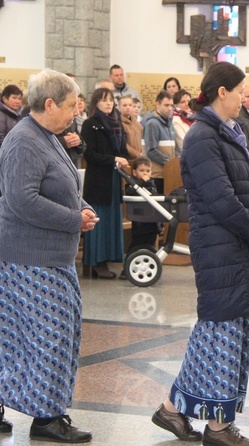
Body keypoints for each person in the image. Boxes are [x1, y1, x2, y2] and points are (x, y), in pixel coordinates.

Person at [151, 61, 249, 446]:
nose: (246, 97)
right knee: (220, 331)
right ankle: (218, 427)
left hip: (238, 245)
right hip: (220, 246)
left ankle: (172, 410)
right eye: (241, 90)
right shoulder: (202, 138)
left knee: (224, 331)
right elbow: (223, 201)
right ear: (221, 92)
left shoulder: (230, 133)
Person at [0, 68, 96, 443]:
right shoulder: (24, 140)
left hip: (52, 255)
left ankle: (43, 409)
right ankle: (47, 418)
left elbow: (66, 184)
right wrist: (75, 219)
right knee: (47, 336)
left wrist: (82, 207)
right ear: (49, 103)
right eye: (71, 105)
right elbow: (22, 200)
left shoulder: (49, 135)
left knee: (51, 333)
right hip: (29, 257)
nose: (75, 112)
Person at [82, 88, 131, 279]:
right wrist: (114, 160)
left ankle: (111, 257)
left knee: (112, 220)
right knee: (98, 221)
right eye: (103, 100)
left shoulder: (117, 123)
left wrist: (123, 158)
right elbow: (90, 154)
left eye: (110, 100)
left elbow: (122, 149)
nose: (108, 103)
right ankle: (96, 262)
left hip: (113, 177)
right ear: (96, 103)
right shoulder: (90, 124)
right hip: (99, 179)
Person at [125, 157, 161, 253]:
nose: (145, 173)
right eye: (142, 170)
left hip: (152, 221)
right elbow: (130, 191)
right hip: (139, 221)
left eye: (148, 171)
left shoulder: (152, 184)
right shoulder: (132, 183)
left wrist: (160, 222)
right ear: (134, 172)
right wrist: (142, 182)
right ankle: (130, 263)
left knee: (150, 246)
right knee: (137, 245)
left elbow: (156, 200)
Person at [143, 90, 176, 193]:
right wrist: (170, 163)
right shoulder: (152, 123)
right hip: (156, 175)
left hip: (168, 174)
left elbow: (174, 149)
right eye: (166, 105)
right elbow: (151, 150)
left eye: (171, 105)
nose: (170, 108)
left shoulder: (169, 124)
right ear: (157, 104)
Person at [119, 95, 143, 160]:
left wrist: (143, 153)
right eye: (125, 105)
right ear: (119, 107)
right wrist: (137, 155)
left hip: (140, 159)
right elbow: (123, 144)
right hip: (127, 159)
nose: (128, 107)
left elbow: (143, 139)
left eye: (130, 105)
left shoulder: (138, 124)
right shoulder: (118, 124)